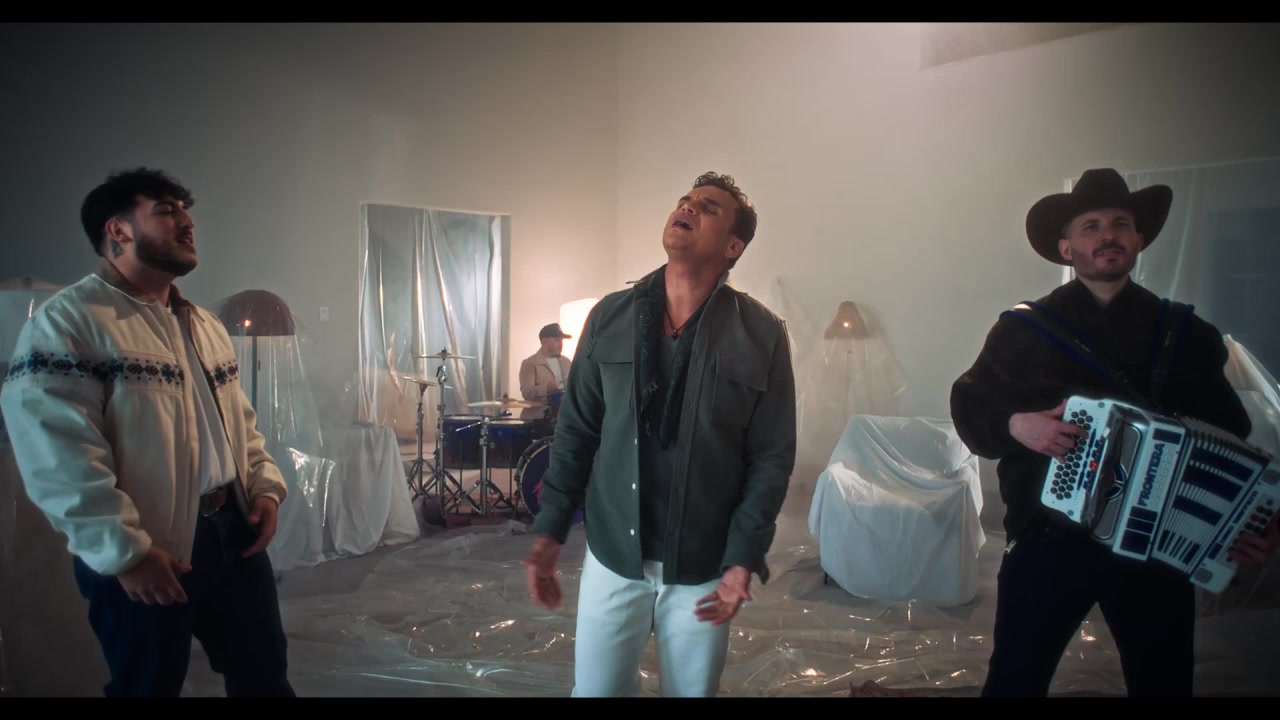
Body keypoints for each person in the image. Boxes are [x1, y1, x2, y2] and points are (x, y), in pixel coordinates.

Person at [950, 167, 1280, 697]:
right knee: (1016, 679)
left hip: (1155, 547)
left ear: (1138, 239)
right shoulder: (1022, 330)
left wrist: (1243, 519)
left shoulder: (1187, 335)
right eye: (1092, 226)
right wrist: (1016, 424)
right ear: (1066, 248)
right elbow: (971, 402)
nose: (1108, 235)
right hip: (1048, 537)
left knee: (1163, 683)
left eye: (1121, 224)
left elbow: (1229, 439)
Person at [0, 167, 295, 697]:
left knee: (263, 676)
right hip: (148, 546)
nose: (187, 222)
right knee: (147, 686)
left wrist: (264, 487)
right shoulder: (69, 323)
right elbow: (58, 454)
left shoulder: (202, 324)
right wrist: (126, 553)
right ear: (118, 230)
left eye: (185, 210)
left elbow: (238, 424)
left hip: (232, 532)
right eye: (166, 210)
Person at [520, 171, 796, 697]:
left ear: (733, 246)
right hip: (613, 556)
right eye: (685, 200)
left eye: (708, 207)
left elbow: (771, 457)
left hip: (702, 563)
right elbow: (577, 431)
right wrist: (551, 528)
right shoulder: (609, 316)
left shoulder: (761, 334)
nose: (687, 207)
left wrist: (743, 555)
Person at [518, 323, 573, 421]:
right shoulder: (530, 363)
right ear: (544, 341)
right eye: (557, 340)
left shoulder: (567, 362)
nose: (561, 344)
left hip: (564, 418)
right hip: (538, 419)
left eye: (561, 340)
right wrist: (545, 388)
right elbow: (527, 392)